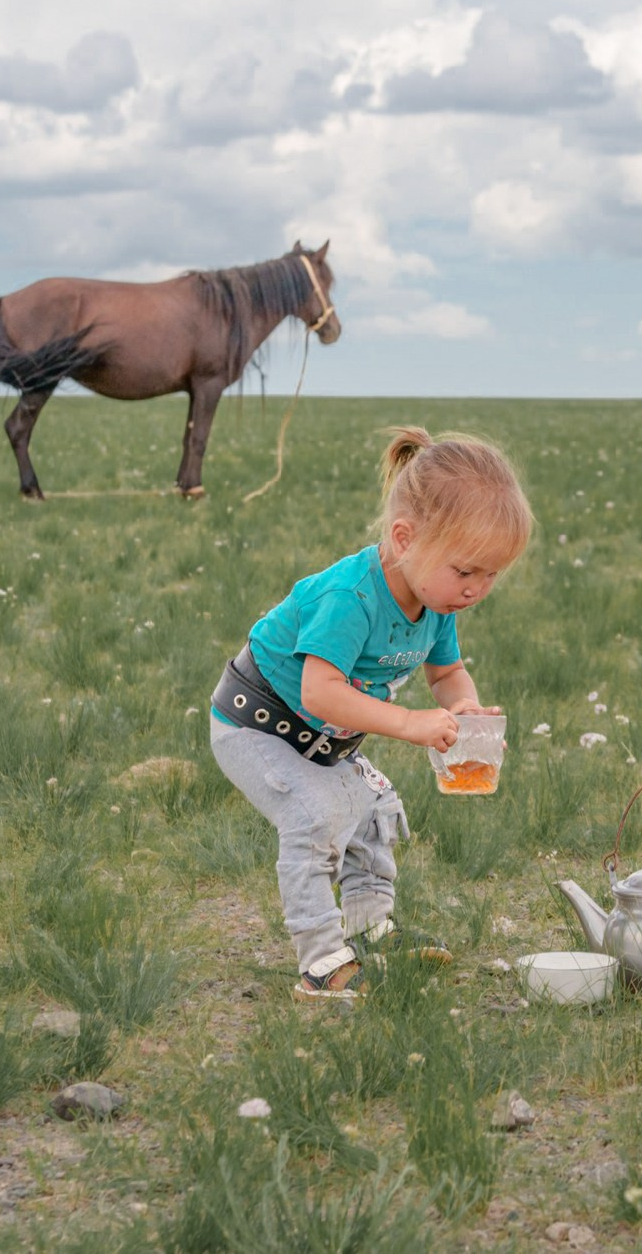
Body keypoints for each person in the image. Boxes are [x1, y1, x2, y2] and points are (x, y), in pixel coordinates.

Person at [208, 426, 532, 998]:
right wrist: (410, 725)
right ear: (404, 539)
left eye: (491, 574)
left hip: (323, 739)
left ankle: (370, 929)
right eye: (466, 571)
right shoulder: (350, 598)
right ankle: (321, 962)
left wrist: (464, 709)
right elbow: (319, 693)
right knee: (315, 817)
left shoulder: (435, 602)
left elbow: (446, 672)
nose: (476, 589)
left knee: (375, 808)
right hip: (256, 725)